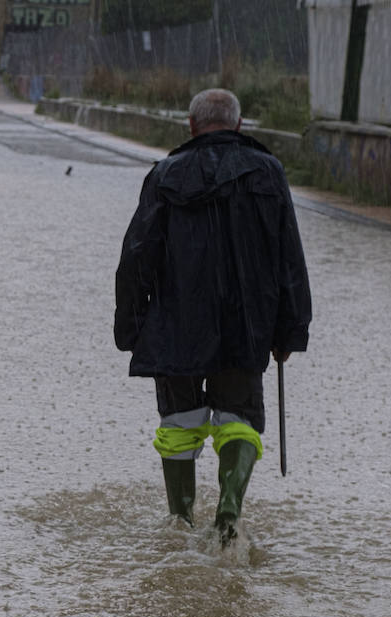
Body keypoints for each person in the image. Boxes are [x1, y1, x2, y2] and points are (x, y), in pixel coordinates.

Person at [114, 88, 312, 546]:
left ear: (191, 125)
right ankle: (229, 508)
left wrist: (130, 326)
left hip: (176, 319)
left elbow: (137, 256)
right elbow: (289, 258)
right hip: (245, 319)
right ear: (240, 126)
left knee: (180, 421)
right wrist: (290, 328)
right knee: (238, 417)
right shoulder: (268, 172)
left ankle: (181, 523)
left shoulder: (165, 174)